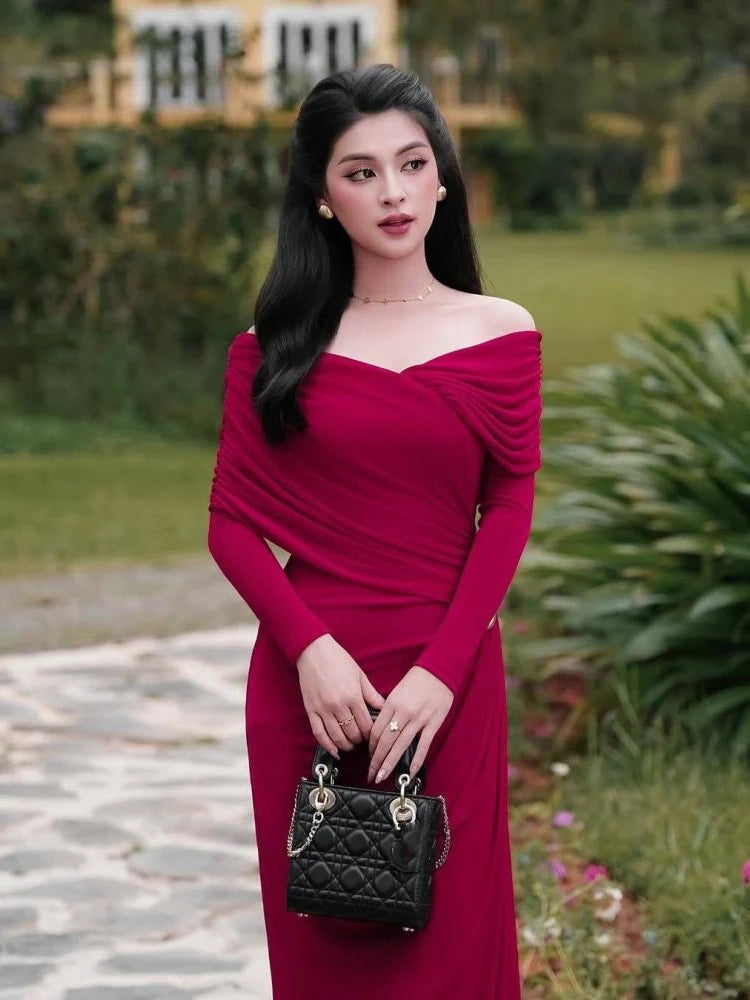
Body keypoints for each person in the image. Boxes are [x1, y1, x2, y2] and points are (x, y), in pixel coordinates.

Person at [207, 61, 542, 1000]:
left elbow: (509, 506)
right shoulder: (274, 348)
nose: (393, 192)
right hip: (314, 691)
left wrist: (443, 671)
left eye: (411, 163)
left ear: (442, 178)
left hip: (448, 686)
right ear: (322, 197)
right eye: (361, 172)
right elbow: (230, 526)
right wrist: (310, 652)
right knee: (325, 957)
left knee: (452, 949)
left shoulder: (500, 331)